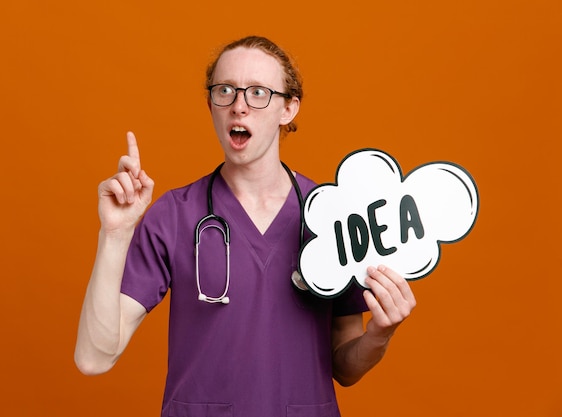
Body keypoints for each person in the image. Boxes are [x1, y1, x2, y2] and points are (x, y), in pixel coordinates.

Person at [75, 35, 416, 417]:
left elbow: (345, 367)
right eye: (225, 91)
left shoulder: (333, 216)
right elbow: (94, 357)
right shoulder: (173, 215)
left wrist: (380, 335)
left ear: (289, 108)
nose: (239, 106)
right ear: (211, 105)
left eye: (258, 93)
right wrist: (115, 234)